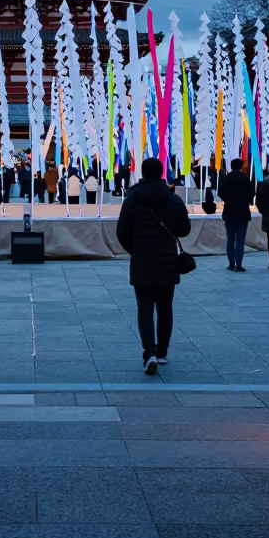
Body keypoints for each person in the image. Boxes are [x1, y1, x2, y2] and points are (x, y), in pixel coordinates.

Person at [116, 156, 191, 375]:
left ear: (142, 172)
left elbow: (121, 232)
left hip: (142, 260)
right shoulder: (173, 199)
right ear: (160, 173)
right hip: (167, 259)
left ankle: (148, 351)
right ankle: (162, 352)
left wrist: (136, 249)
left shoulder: (131, 199)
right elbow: (184, 229)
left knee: (145, 307)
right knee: (165, 307)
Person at [217, 157, 255, 272]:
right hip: (243, 212)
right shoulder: (245, 179)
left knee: (230, 238)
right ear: (241, 166)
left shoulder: (226, 178)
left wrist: (228, 200)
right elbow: (251, 193)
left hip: (229, 211)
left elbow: (220, 193)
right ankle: (239, 263)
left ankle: (231, 263)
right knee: (240, 240)